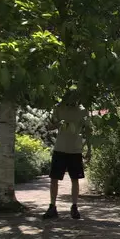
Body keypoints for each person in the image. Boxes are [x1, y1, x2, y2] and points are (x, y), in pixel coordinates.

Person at [45, 92, 90, 220]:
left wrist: (89, 149)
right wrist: (58, 123)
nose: (73, 100)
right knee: (54, 178)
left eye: (76, 97)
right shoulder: (59, 108)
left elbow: (88, 130)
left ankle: (74, 207)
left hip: (75, 150)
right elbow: (49, 126)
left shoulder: (83, 111)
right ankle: (52, 207)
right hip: (60, 148)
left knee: (75, 179)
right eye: (70, 97)